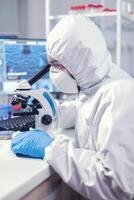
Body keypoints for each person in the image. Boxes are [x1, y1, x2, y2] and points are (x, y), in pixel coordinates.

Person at [11, 15, 134, 200]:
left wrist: (52, 148)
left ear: (79, 60)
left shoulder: (120, 94)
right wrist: (56, 113)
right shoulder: (100, 82)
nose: (54, 72)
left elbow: (117, 186)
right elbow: (87, 110)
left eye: (57, 65)